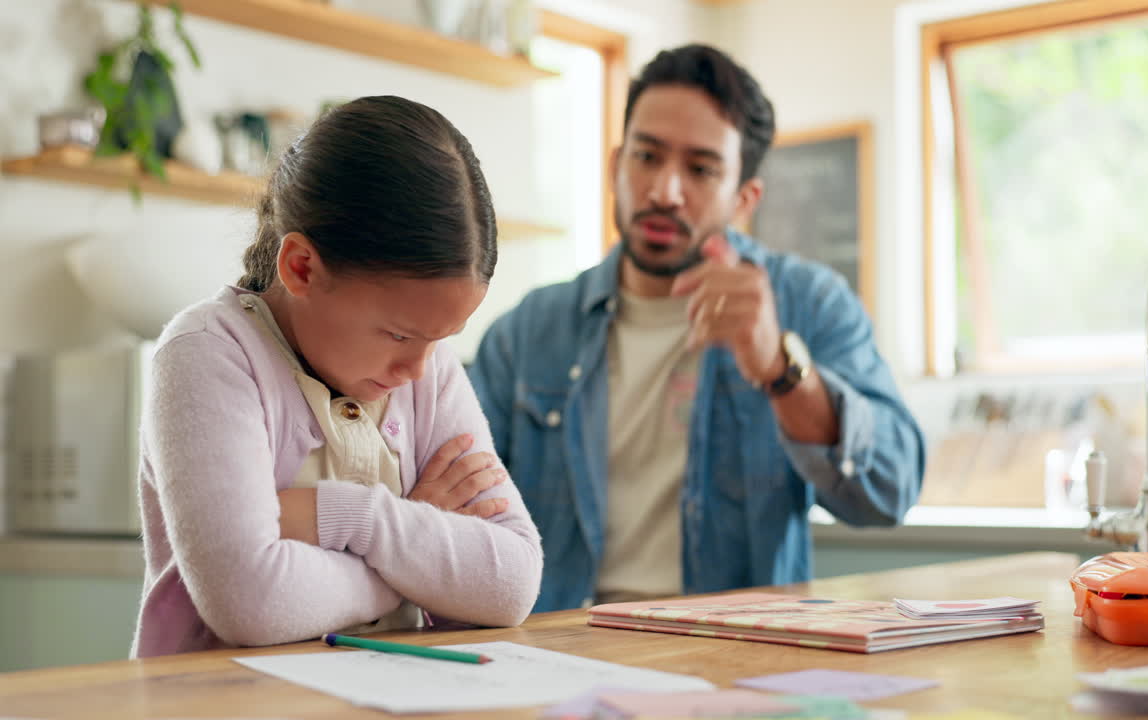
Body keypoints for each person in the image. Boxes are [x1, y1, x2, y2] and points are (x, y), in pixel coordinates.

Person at [468, 45, 925, 612]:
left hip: (737, 648)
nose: (665, 191)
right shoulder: (528, 331)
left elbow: (891, 492)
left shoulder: (810, 303)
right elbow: (460, 513)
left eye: (701, 169)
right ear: (616, 166)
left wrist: (781, 371)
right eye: (647, 156)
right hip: (558, 643)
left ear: (744, 199)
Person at [132, 96, 542, 657]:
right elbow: (249, 601)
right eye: (397, 335)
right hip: (228, 696)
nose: (418, 370)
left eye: (441, 339)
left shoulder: (428, 369)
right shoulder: (208, 353)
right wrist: (418, 550)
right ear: (301, 267)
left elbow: (511, 583)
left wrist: (351, 517)